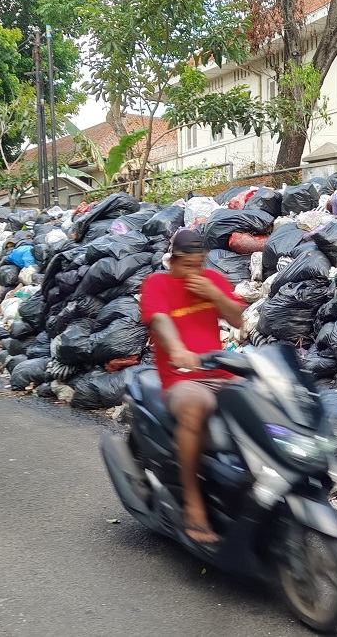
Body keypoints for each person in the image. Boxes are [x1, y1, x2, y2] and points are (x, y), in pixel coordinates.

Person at [139, 228, 246, 545]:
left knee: (262, 400)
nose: (194, 271)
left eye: (200, 263)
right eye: (188, 264)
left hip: (220, 374)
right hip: (182, 377)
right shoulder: (157, 283)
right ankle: (193, 501)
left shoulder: (212, 281)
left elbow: (239, 319)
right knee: (196, 405)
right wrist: (176, 350)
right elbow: (160, 321)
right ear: (173, 260)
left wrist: (214, 295)